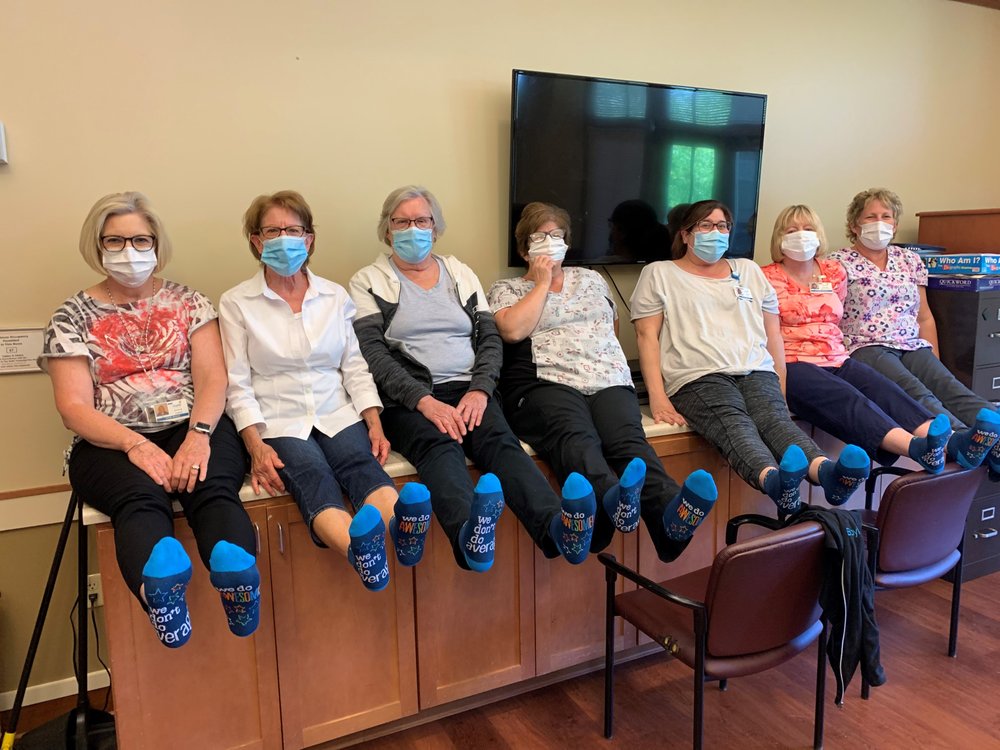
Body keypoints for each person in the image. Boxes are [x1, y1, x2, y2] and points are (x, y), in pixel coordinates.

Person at [39, 192, 260, 649]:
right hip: (108, 440)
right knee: (139, 501)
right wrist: (134, 444)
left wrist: (199, 436)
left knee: (213, 489)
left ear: (157, 244)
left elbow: (213, 377)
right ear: (97, 246)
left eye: (141, 240)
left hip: (193, 423)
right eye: (115, 241)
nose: (130, 251)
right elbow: (73, 407)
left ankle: (237, 578)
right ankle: (160, 592)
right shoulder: (70, 317)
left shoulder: (190, 302)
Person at [349, 185, 597, 571]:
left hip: (469, 389)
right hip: (410, 400)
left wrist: (481, 390)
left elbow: (490, 339)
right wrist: (424, 402)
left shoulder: (460, 273)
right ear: (387, 230)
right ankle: (470, 537)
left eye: (422, 221)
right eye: (402, 222)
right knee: (440, 446)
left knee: (501, 444)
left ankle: (555, 529)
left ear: (435, 228)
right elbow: (374, 355)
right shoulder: (367, 281)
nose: (413, 229)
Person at [219, 191, 431, 592]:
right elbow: (237, 383)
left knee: (361, 464)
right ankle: (360, 552)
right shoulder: (237, 303)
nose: (285, 238)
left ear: (309, 238)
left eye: (294, 229)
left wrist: (374, 422)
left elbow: (354, 365)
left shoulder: (334, 296)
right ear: (256, 241)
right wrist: (255, 446)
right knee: (313, 474)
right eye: (273, 231)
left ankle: (404, 531)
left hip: (337, 409)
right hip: (278, 418)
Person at [488, 202, 718, 559]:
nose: (550, 242)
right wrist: (543, 282)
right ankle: (610, 501)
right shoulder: (507, 288)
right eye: (540, 237)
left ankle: (671, 520)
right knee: (576, 438)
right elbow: (512, 331)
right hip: (547, 381)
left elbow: (610, 329)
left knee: (628, 443)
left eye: (557, 236)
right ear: (524, 249)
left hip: (607, 376)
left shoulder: (591, 279)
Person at [630, 199, 871, 515]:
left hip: (756, 369)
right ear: (686, 235)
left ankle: (828, 474)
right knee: (735, 425)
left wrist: (780, 384)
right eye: (705, 225)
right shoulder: (659, 273)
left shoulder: (748, 270)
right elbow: (646, 337)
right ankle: (775, 482)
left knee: (775, 421)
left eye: (722, 226)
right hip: (697, 375)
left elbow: (773, 334)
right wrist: (658, 398)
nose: (715, 232)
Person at [761, 204, 954, 473]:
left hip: (837, 357)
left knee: (883, 389)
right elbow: (767, 335)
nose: (801, 235)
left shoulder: (834, 272)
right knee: (850, 399)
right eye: (791, 230)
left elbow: (835, 317)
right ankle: (918, 449)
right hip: (793, 363)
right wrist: (777, 394)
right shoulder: (764, 277)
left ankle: (950, 443)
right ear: (779, 238)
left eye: (808, 228)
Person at [830, 188, 1000, 472]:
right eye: (871, 217)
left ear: (895, 224)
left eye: (886, 216)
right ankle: (962, 441)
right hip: (865, 345)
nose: (879, 223)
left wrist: (934, 360)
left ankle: (996, 440)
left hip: (910, 343)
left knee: (950, 386)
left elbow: (924, 318)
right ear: (854, 225)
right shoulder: (838, 263)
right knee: (916, 391)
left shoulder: (909, 260)